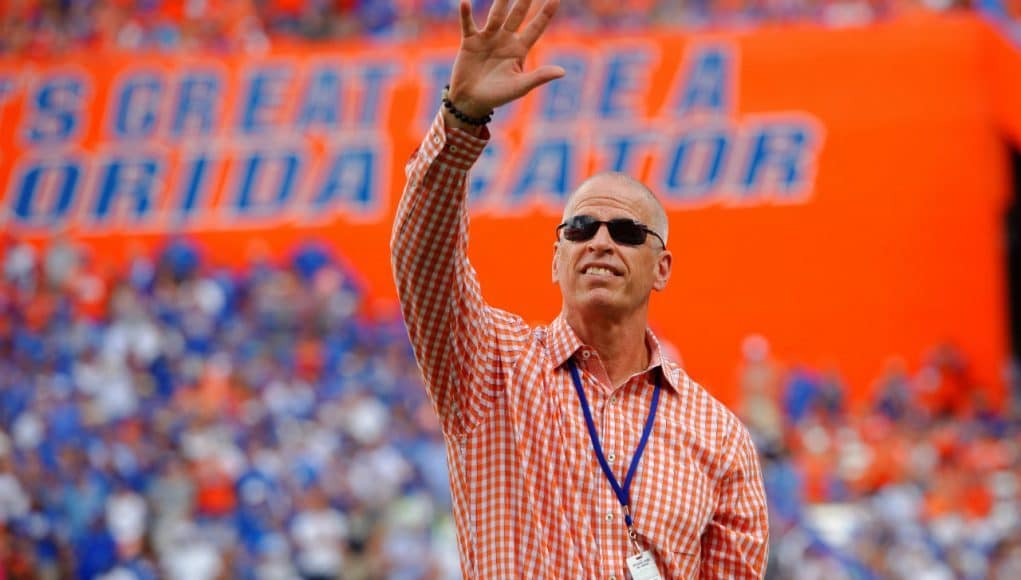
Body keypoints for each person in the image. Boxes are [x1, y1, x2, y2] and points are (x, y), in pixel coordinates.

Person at [390, 0, 769, 577]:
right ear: (556, 257)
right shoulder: (491, 368)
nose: (600, 242)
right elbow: (424, 262)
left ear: (661, 268)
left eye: (625, 232)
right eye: (581, 228)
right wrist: (462, 120)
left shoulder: (719, 436)